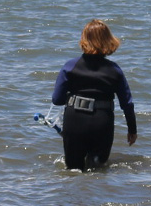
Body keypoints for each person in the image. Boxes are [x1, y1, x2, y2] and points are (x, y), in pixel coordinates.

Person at [51, 19, 138, 171]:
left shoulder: (70, 66)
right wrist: (132, 130)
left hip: (74, 121)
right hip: (102, 122)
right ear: (108, 40)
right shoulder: (115, 70)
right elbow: (127, 104)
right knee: (97, 170)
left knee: (73, 170)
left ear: (84, 39)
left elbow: (57, 100)